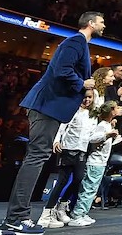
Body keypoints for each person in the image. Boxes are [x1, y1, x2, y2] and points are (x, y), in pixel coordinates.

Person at [0, 11, 103, 235]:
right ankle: (15, 219)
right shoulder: (76, 41)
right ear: (91, 23)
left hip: (50, 108)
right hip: (47, 106)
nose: (104, 25)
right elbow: (61, 70)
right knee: (36, 159)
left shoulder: (80, 44)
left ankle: (15, 219)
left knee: (36, 158)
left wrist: (84, 89)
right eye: (101, 22)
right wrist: (83, 84)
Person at [36, 90, 98, 229]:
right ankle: (47, 212)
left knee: (78, 179)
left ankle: (62, 206)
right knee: (62, 180)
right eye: (84, 97)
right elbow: (62, 127)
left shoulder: (93, 116)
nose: (87, 100)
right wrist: (56, 141)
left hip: (82, 150)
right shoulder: (73, 111)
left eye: (89, 97)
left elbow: (92, 135)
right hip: (68, 149)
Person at [68, 101, 121, 227]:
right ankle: (77, 214)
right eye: (116, 108)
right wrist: (107, 134)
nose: (118, 110)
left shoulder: (107, 124)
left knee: (92, 189)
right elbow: (92, 139)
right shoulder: (102, 125)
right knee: (88, 189)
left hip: (101, 162)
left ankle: (83, 213)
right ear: (111, 111)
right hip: (95, 162)